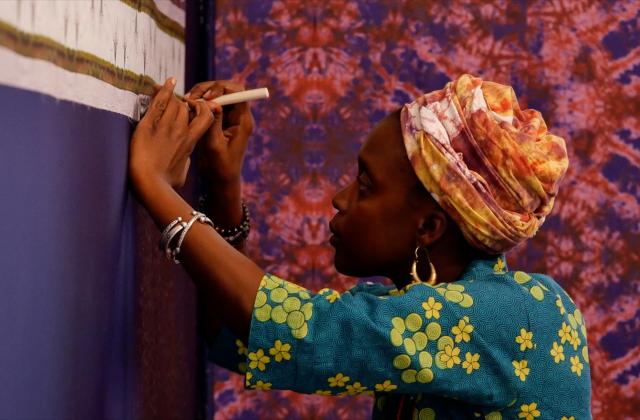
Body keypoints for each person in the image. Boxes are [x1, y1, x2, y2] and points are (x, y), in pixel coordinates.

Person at [129, 74, 592, 419]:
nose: (340, 198)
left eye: (365, 185)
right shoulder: (429, 313)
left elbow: (303, 333)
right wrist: (225, 186)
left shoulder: (517, 316)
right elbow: (241, 338)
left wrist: (154, 183)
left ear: (429, 226)